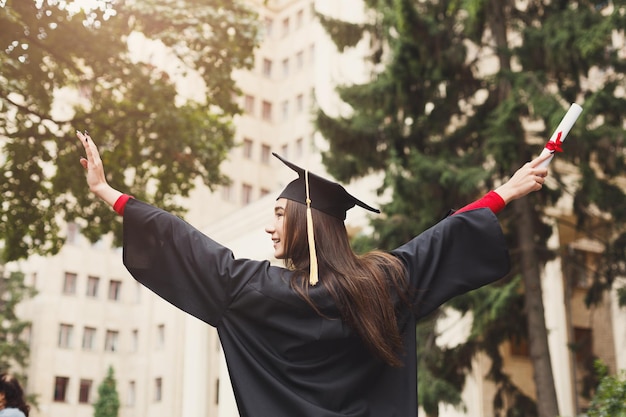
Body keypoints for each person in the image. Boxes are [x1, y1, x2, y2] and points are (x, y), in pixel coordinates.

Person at [77, 131, 549, 416]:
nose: (269, 226)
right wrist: (505, 192)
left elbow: (184, 243)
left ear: (306, 222)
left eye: (280, 214)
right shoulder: (382, 285)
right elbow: (444, 238)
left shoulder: (254, 290)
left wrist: (110, 193)